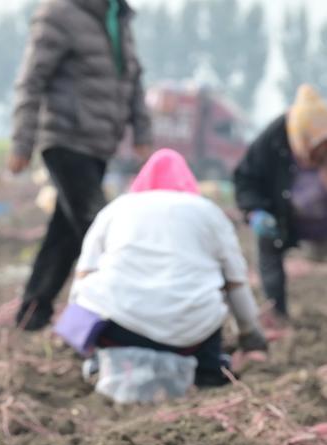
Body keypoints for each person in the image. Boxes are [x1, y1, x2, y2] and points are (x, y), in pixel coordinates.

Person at [8, 0, 153, 331]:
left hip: (100, 144)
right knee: (99, 227)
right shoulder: (59, 14)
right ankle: (122, 320)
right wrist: (22, 142)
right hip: (65, 139)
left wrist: (142, 131)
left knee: (65, 234)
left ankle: (33, 313)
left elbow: (133, 79)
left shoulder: (118, 17)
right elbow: (31, 79)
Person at [69, 149, 267, 390]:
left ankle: (98, 364)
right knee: (210, 312)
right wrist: (251, 337)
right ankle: (207, 372)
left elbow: (83, 277)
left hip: (118, 332)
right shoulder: (207, 212)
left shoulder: (115, 210)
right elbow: (236, 282)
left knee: (93, 290)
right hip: (189, 337)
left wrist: (78, 340)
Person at [234, 84, 327, 321]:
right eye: (314, 150)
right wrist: (254, 211)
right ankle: (277, 314)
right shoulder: (274, 138)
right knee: (268, 246)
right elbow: (245, 177)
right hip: (285, 217)